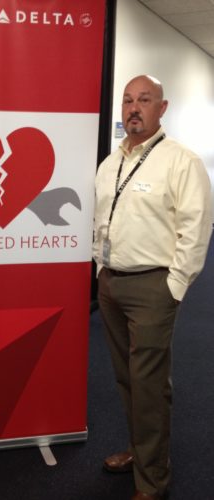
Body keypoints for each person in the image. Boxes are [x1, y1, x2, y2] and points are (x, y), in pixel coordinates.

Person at [93, 75, 212, 500]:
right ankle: (138, 450)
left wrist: (173, 287)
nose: (133, 108)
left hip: (152, 288)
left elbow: (195, 229)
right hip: (111, 283)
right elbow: (103, 220)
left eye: (144, 99)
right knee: (126, 378)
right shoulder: (111, 163)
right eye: (127, 100)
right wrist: (99, 267)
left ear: (162, 108)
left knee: (148, 383)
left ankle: (153, 478)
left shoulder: (181, 161)